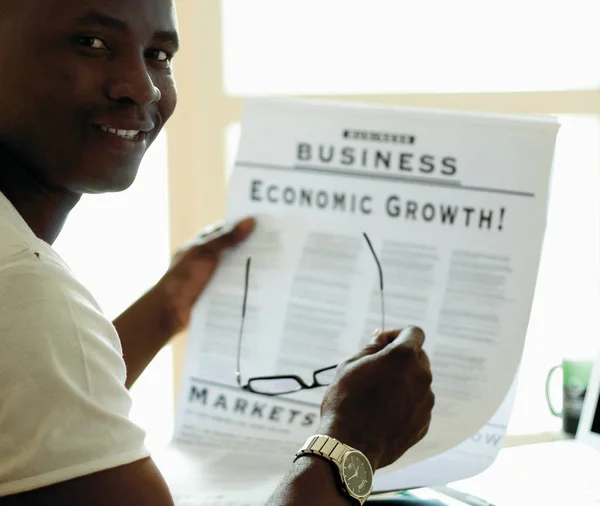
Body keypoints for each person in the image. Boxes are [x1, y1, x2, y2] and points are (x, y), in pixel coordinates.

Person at [0, 0, 435, 504]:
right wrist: (352, 444)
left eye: (159, 54)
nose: (143, 87)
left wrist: (167, 308)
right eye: (91, 43)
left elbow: (26, 394)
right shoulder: (24, 286)